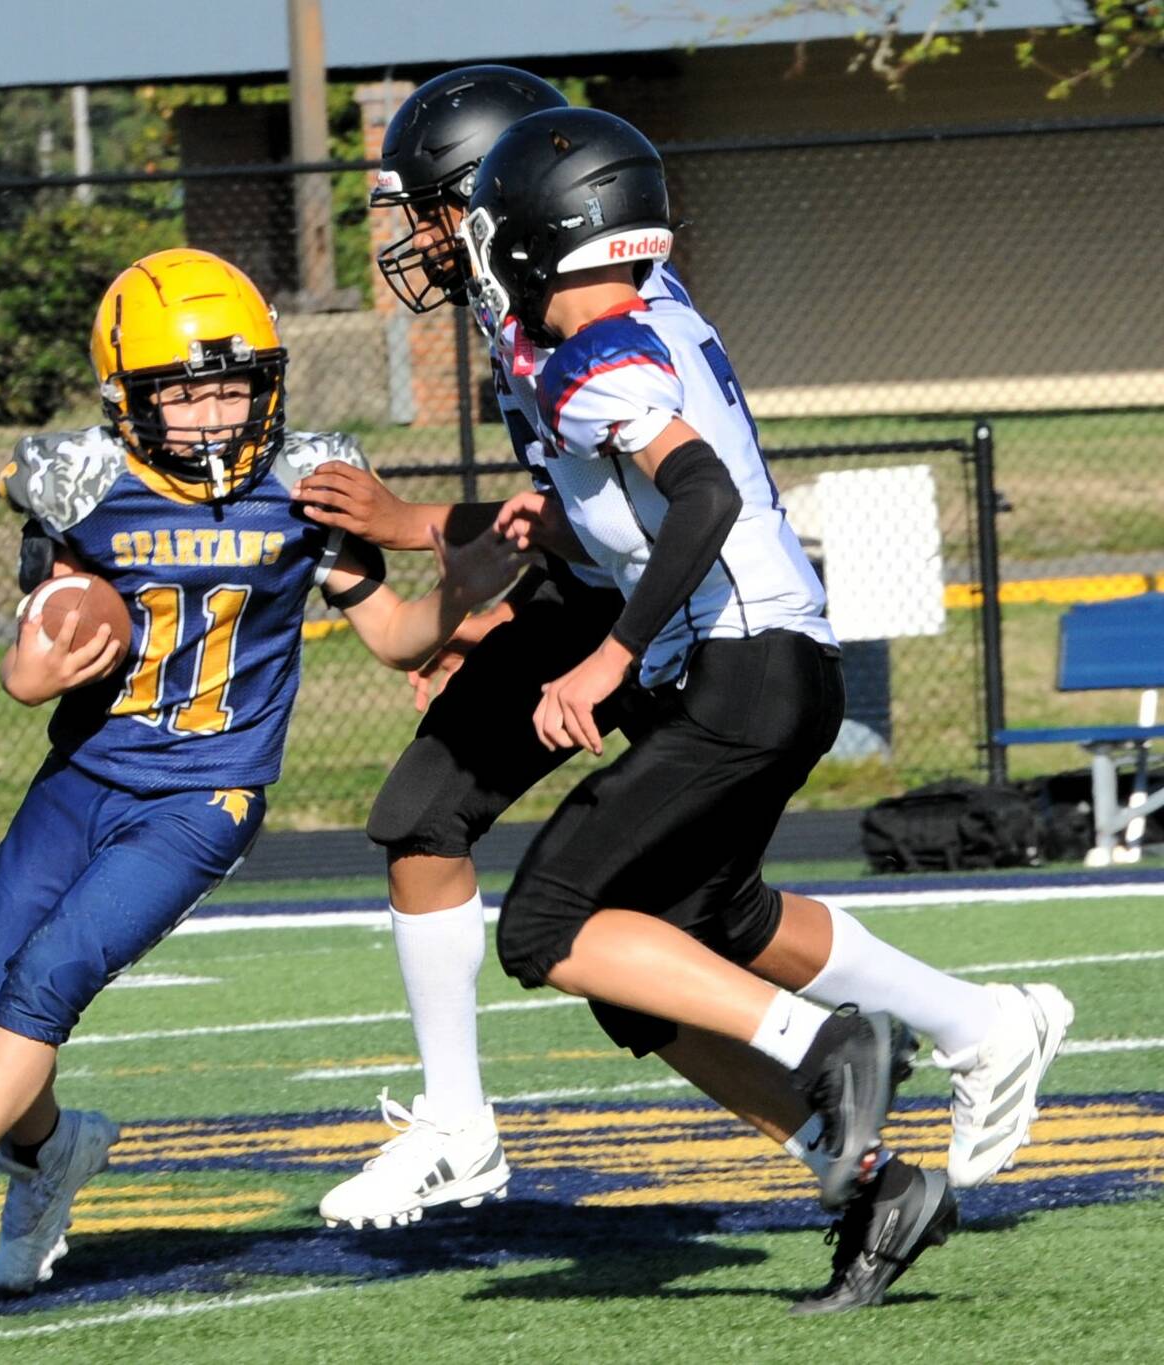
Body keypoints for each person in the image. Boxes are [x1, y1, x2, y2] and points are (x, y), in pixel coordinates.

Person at [0, 247, 531, 1296]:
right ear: (127, 400)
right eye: (184, 393)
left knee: (51, 974)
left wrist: (458, 596)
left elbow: (392, 638)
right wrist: (36, 668)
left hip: (206, 792)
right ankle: (53, 1151)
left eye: (229, 387)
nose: (211, 414)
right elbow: (29, 659)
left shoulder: (302, 486)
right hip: (81, 780)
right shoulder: (84, 487)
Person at [449, 105, 1073, 1259]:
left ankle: (827, 1044)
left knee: (541, 925)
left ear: (542, 234)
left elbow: (701, 497)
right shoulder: (652, 313)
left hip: (739, 670)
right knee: (683, 943)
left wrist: (603, 655)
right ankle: (918, 1116)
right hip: (772, 665)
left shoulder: (593, 351)